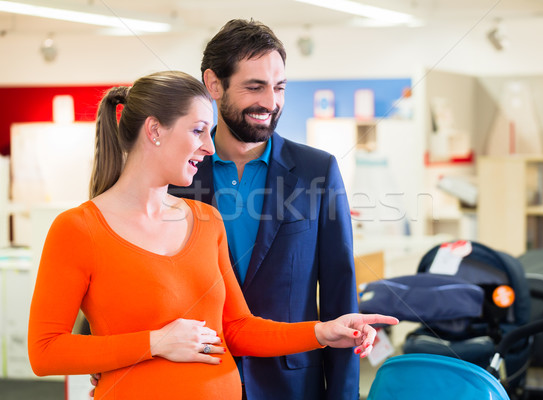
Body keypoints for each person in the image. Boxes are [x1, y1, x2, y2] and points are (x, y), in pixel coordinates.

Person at [27, 70, 398, 400]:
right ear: (154, 130)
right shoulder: (78, 228)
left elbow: (237, 329)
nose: (208, 146)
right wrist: (154, 343)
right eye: (197, 130)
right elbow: (45, 352)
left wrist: (322, 332)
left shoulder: (206, 220)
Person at [167, 19, 361, 400]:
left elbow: (341, 293)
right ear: (214, 84)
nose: (271, 102)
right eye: (254, 87)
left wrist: (344, 394)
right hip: (193, 379)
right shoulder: (176, 175)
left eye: (279, 87)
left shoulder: (316, 171)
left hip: (290, 381)